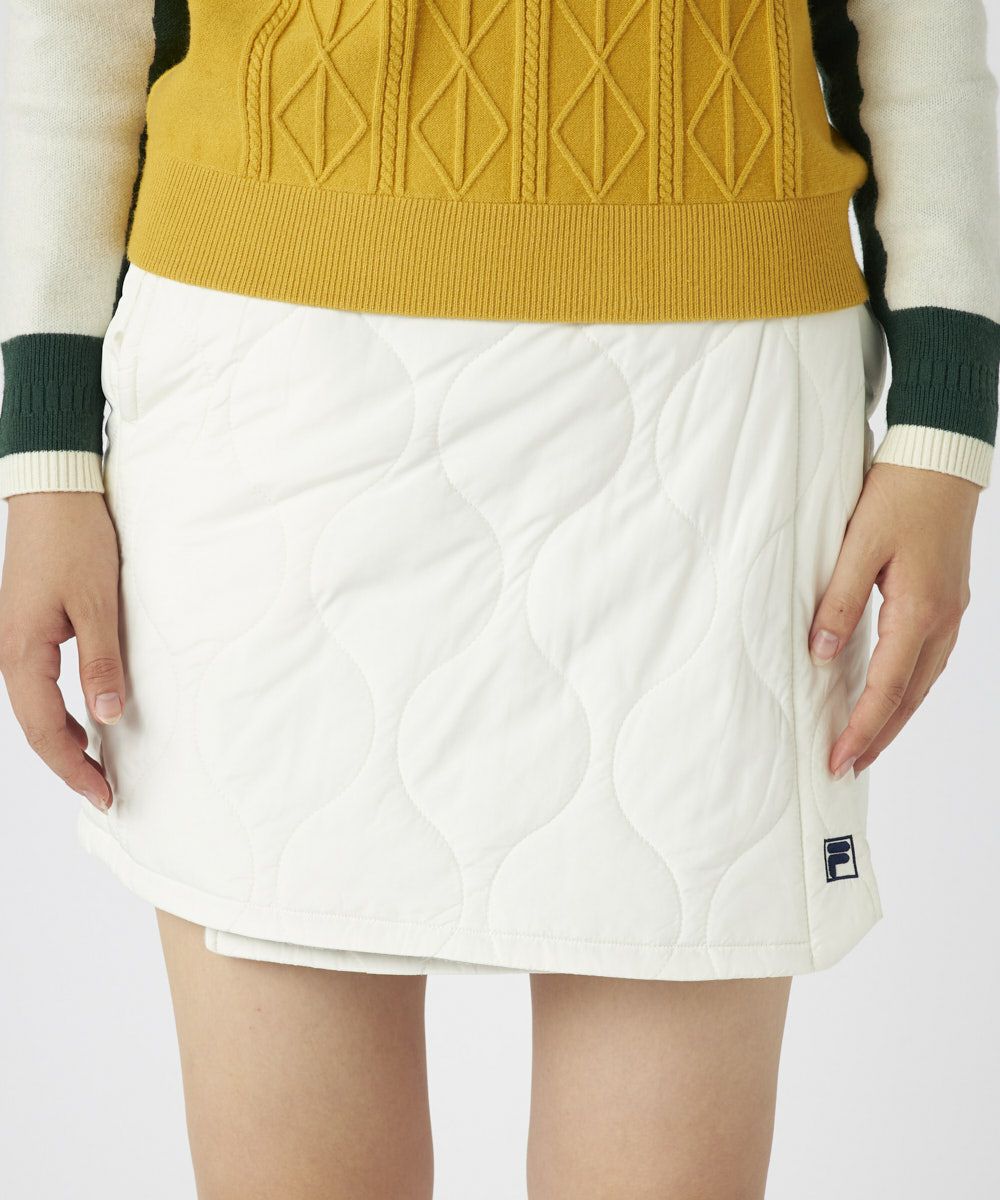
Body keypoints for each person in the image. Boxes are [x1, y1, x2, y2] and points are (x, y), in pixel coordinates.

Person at [0, 1, 996, 1196]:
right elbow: (76, 30)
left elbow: (923, 31)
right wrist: (44, 453)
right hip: (276, 403)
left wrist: (944, 427)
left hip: (713, 419)